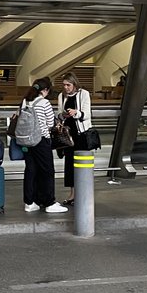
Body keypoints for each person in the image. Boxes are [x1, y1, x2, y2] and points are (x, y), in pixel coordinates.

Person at [19, 77, 66, 214]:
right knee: (47, 171)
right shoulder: (44, 103)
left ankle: (30, 202)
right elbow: (51, 124)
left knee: (30, 170)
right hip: (41, 140)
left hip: (26, 141)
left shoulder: (25, 101)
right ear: (45, 90)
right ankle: (49, 202)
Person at [57, 72, 93, 206]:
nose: (66, 88)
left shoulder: (83, 94)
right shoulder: (62, 96)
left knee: (81, 165)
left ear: (74, 84)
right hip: (68, 135)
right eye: (64, 85)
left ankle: (81, 192)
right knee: (69, 164)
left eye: (68, 85)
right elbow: (59, 114)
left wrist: (76, 113)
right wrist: (63, 115)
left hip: (80, 134)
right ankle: (72, 193)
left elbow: (87, 114)